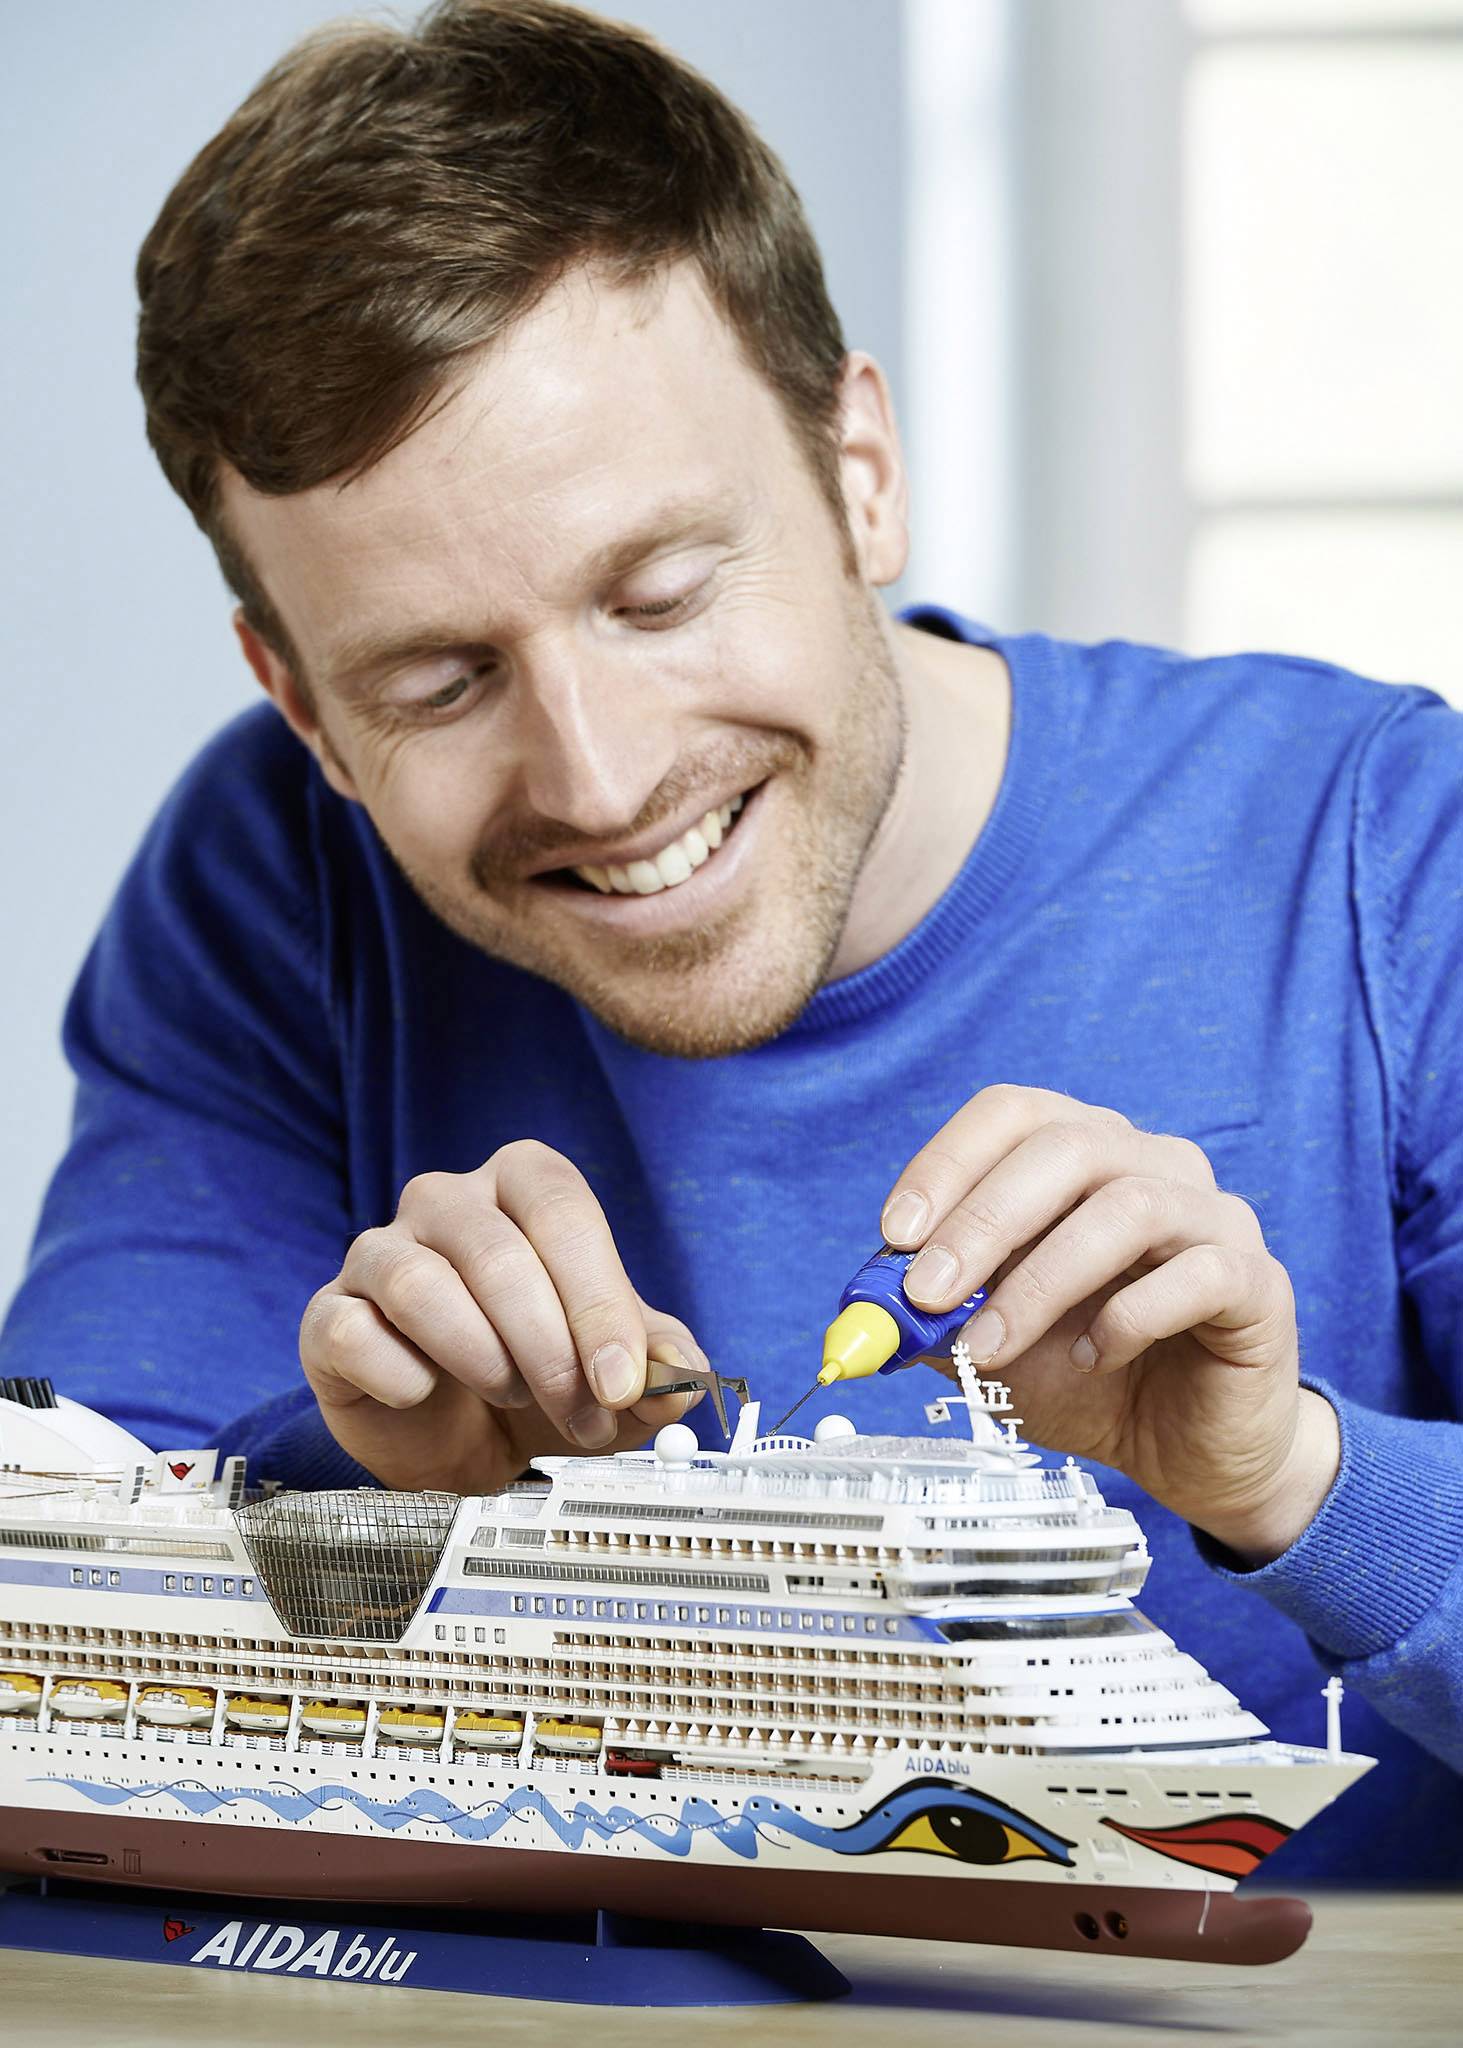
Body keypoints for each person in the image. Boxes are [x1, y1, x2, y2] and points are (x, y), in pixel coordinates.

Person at [0, 0, 1458, 1889]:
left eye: (664, 594)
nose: (601, 781)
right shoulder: (273, 884)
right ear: (298, 702)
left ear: (861, 475)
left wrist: (1294, 1482)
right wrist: (360, 1492)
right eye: (439, 685)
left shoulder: (1382, 848)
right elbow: (50, 1663)